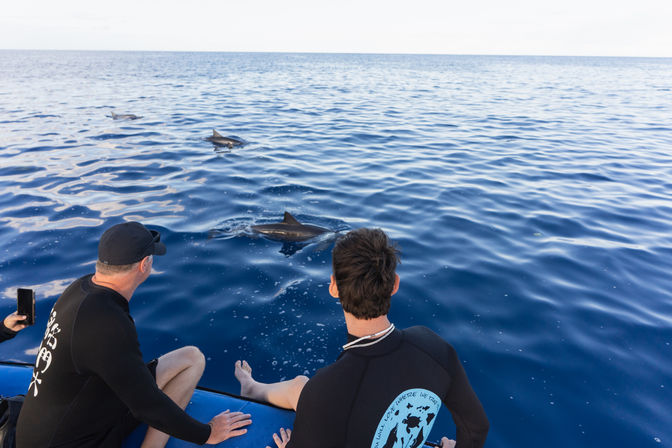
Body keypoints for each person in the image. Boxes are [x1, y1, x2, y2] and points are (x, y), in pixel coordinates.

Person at [234, 228, 489, 448]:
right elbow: (477, 428)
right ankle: (253, 387)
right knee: (302, 388)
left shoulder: (326, 389)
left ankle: (251, 388)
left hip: (326, 404)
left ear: (334, 287)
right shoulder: (435, 348)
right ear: (394, 284)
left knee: (304, 389)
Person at [16, 222, 252, 448]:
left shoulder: (80, 288)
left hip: (60, 422)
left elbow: (129, 378)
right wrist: (207, 433)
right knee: (156, 399)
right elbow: (146, 405)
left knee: (191, 359)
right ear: (144, 265)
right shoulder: (106, 324)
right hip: (72, 443)